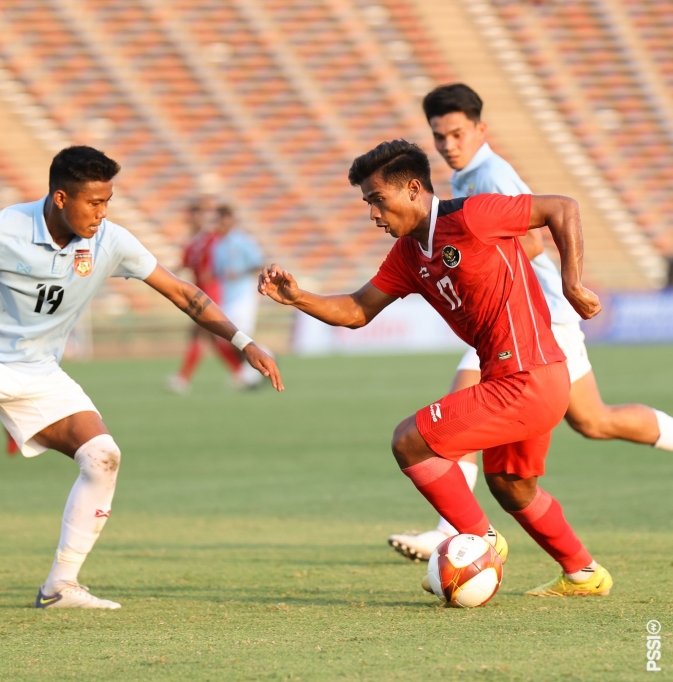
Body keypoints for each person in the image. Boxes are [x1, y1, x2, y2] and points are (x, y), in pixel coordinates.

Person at [0, 146, 282, 609]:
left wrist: (245, 343)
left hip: (38, 369)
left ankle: (61, 585)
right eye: (94, 203)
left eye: (108, 202)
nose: (102, 214)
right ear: (61, 198)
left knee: (103, 456)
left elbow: (184, 294)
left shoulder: (109, 241)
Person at [259, 139, 613, 597]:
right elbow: (356, 310)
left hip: (529, 378)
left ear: (412, 189)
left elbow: (562, 208)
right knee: (511, 486)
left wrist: (572, 283)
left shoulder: (472, 216)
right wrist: (298, 298)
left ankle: (482, 544)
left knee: (410, 441)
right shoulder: (409, 255)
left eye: (376, 200)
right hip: (516, 378)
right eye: (367, 203)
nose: (372, 214)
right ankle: (584, 573)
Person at [388, 83, 673, 561]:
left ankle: (451, 531)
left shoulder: (490, 176)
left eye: (457, 134)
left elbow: (534, 241)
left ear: (481, 129)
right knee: (595, 421)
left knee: (460, 407)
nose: (448, 145)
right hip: (529, 320)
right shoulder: (469, 178)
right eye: (440, 137)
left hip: (528, 319)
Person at [167, 199, 243, 393]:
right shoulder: (192, 242)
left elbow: (222, 258)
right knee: (212, 339)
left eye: (196, 215)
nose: (193, 219)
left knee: (197, 334)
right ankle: (240, 373)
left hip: (209, 292)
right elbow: (185, 264)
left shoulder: (210, 239)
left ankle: (182, 379)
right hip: (197, 291)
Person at [212, 204, 265, 387]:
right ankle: (263, 359)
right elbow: (217, 272)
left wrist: (240, 273)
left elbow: (258, 264)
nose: (221, 223)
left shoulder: (242, 240)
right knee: (230, 338)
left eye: (224, 218)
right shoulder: (218, 246)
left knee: (241, 335)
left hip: (244, 295)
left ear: (231, 220)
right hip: (228, 297)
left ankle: (251, 373)